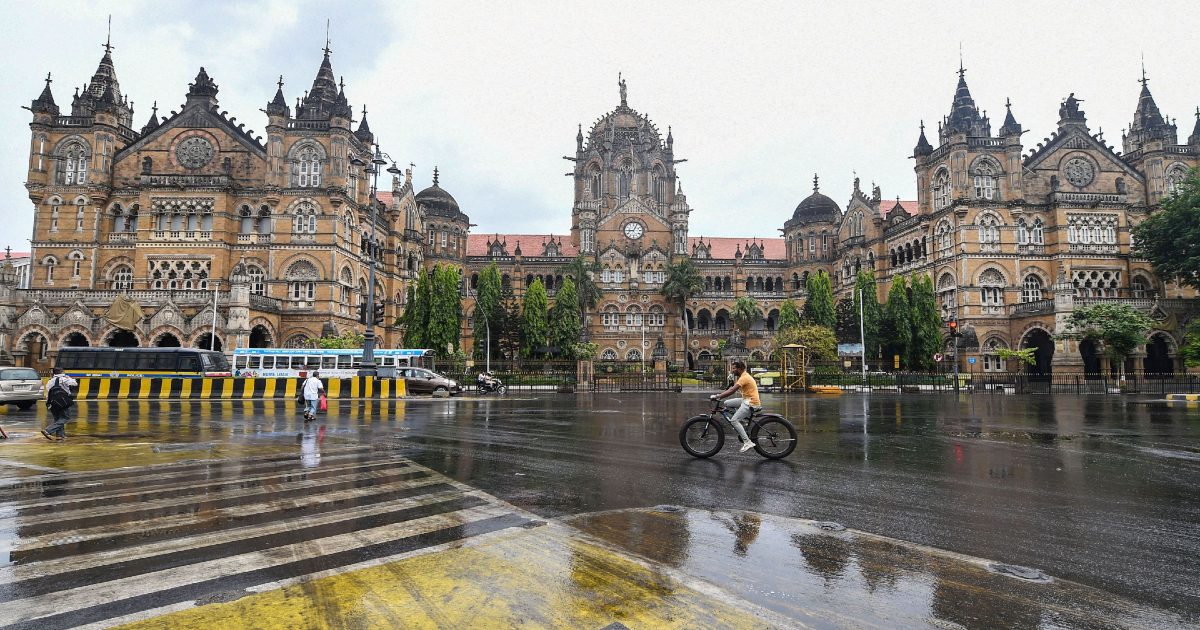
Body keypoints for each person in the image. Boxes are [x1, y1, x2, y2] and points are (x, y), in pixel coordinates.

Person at [712, 360, 761, 453]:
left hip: (751, 403)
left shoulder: (744, 378)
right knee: (727, 403)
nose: (732, 370)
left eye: (734, 368)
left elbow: (732, 390)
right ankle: (742, 421)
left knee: (734, 420)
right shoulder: (743, 376)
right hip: (747, 400)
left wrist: (718, 396)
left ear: (739, 369)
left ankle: (747, 442)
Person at [42, 367, 77, 441]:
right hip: (63, 402)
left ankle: (60, 435)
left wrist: (48, 404)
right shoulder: (64, 379)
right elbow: (74, 383)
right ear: (61, 372)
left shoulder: (50, 381)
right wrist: (69, 378)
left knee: (58, 419)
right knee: (65, 417)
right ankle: (48, 430)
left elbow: (48, 392)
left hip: (52, 402)